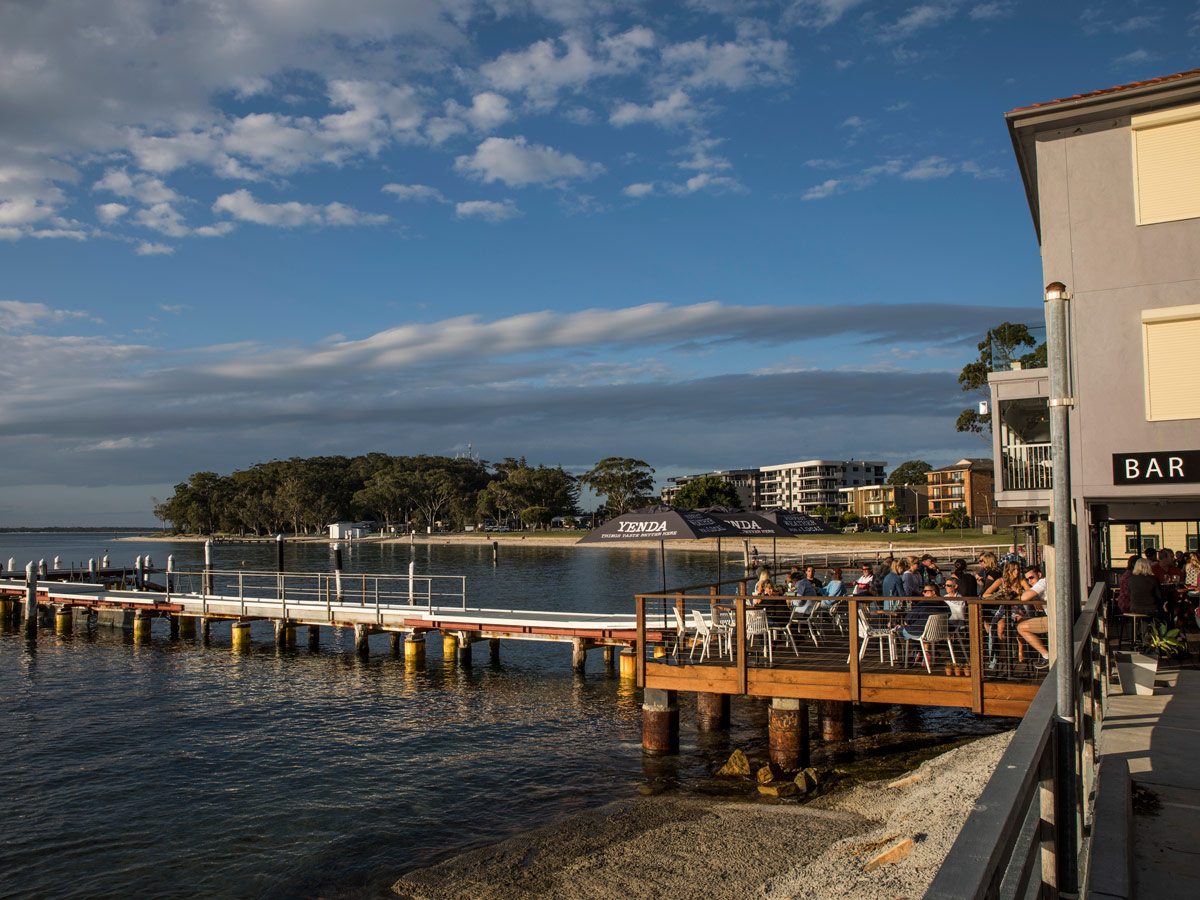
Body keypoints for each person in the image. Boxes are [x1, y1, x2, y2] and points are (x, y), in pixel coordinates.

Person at [982, 561, 1028, 669]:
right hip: (1004, 610)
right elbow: (985, 594)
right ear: (1008, 571)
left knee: (1021, 626)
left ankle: (1021, 652)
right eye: (1014, 569)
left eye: (1018, 569)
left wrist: (1018, 596)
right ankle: (1004, 653)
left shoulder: (1021, 581)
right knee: (1000, 626)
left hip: (1018, 610)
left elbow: (1029, 592)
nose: (1016, 572)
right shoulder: (1001, 581)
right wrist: (999, 595)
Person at [897, 585, 950, 666]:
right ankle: (925, 652)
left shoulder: (924, 603)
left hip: (921, 632)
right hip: (938, 633)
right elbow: (949, 615)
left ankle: (911, 655)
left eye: (925, 591)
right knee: (922, 630)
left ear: (933, 593)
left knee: (900, 630)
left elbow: (908, 619)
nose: (923, 593)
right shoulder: (944, 604)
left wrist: (905, 624)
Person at [1016, 565, 1051, 669]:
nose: (1030, 581)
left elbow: (1024, 597)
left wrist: (1032, 594)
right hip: (1053, 618)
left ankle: (1047, 656)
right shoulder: (1043, 582)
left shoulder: (1043, 581)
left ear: (1039, 575)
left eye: (1031, 578)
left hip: (1054, 620)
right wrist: (1035, 596)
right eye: (1027, 579)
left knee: (1021, 628)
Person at [1128, 557, 1166, 622]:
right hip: (1151, 608)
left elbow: (1130, 593)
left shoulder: (1131, 580)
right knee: (1164, 615)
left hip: (1134, 608)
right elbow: (1159, 596)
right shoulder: (1153, 579)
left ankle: (1143, 630)